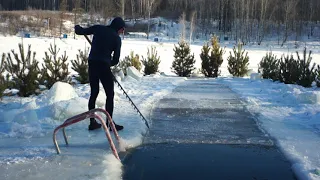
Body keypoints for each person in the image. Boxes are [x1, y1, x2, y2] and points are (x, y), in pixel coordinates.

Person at [74, 17, 125, 131]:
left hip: (92, 64)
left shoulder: (98, 28)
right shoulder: (117, 39)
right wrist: (108, 62)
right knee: (109, 95)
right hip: (103, 66)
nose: (122, 32)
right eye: (122, 29)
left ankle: (92, 122)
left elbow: (81, 31)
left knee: (94, 92)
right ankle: (109, 123)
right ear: (119, 28)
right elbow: (116, 60)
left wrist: (77, 27)